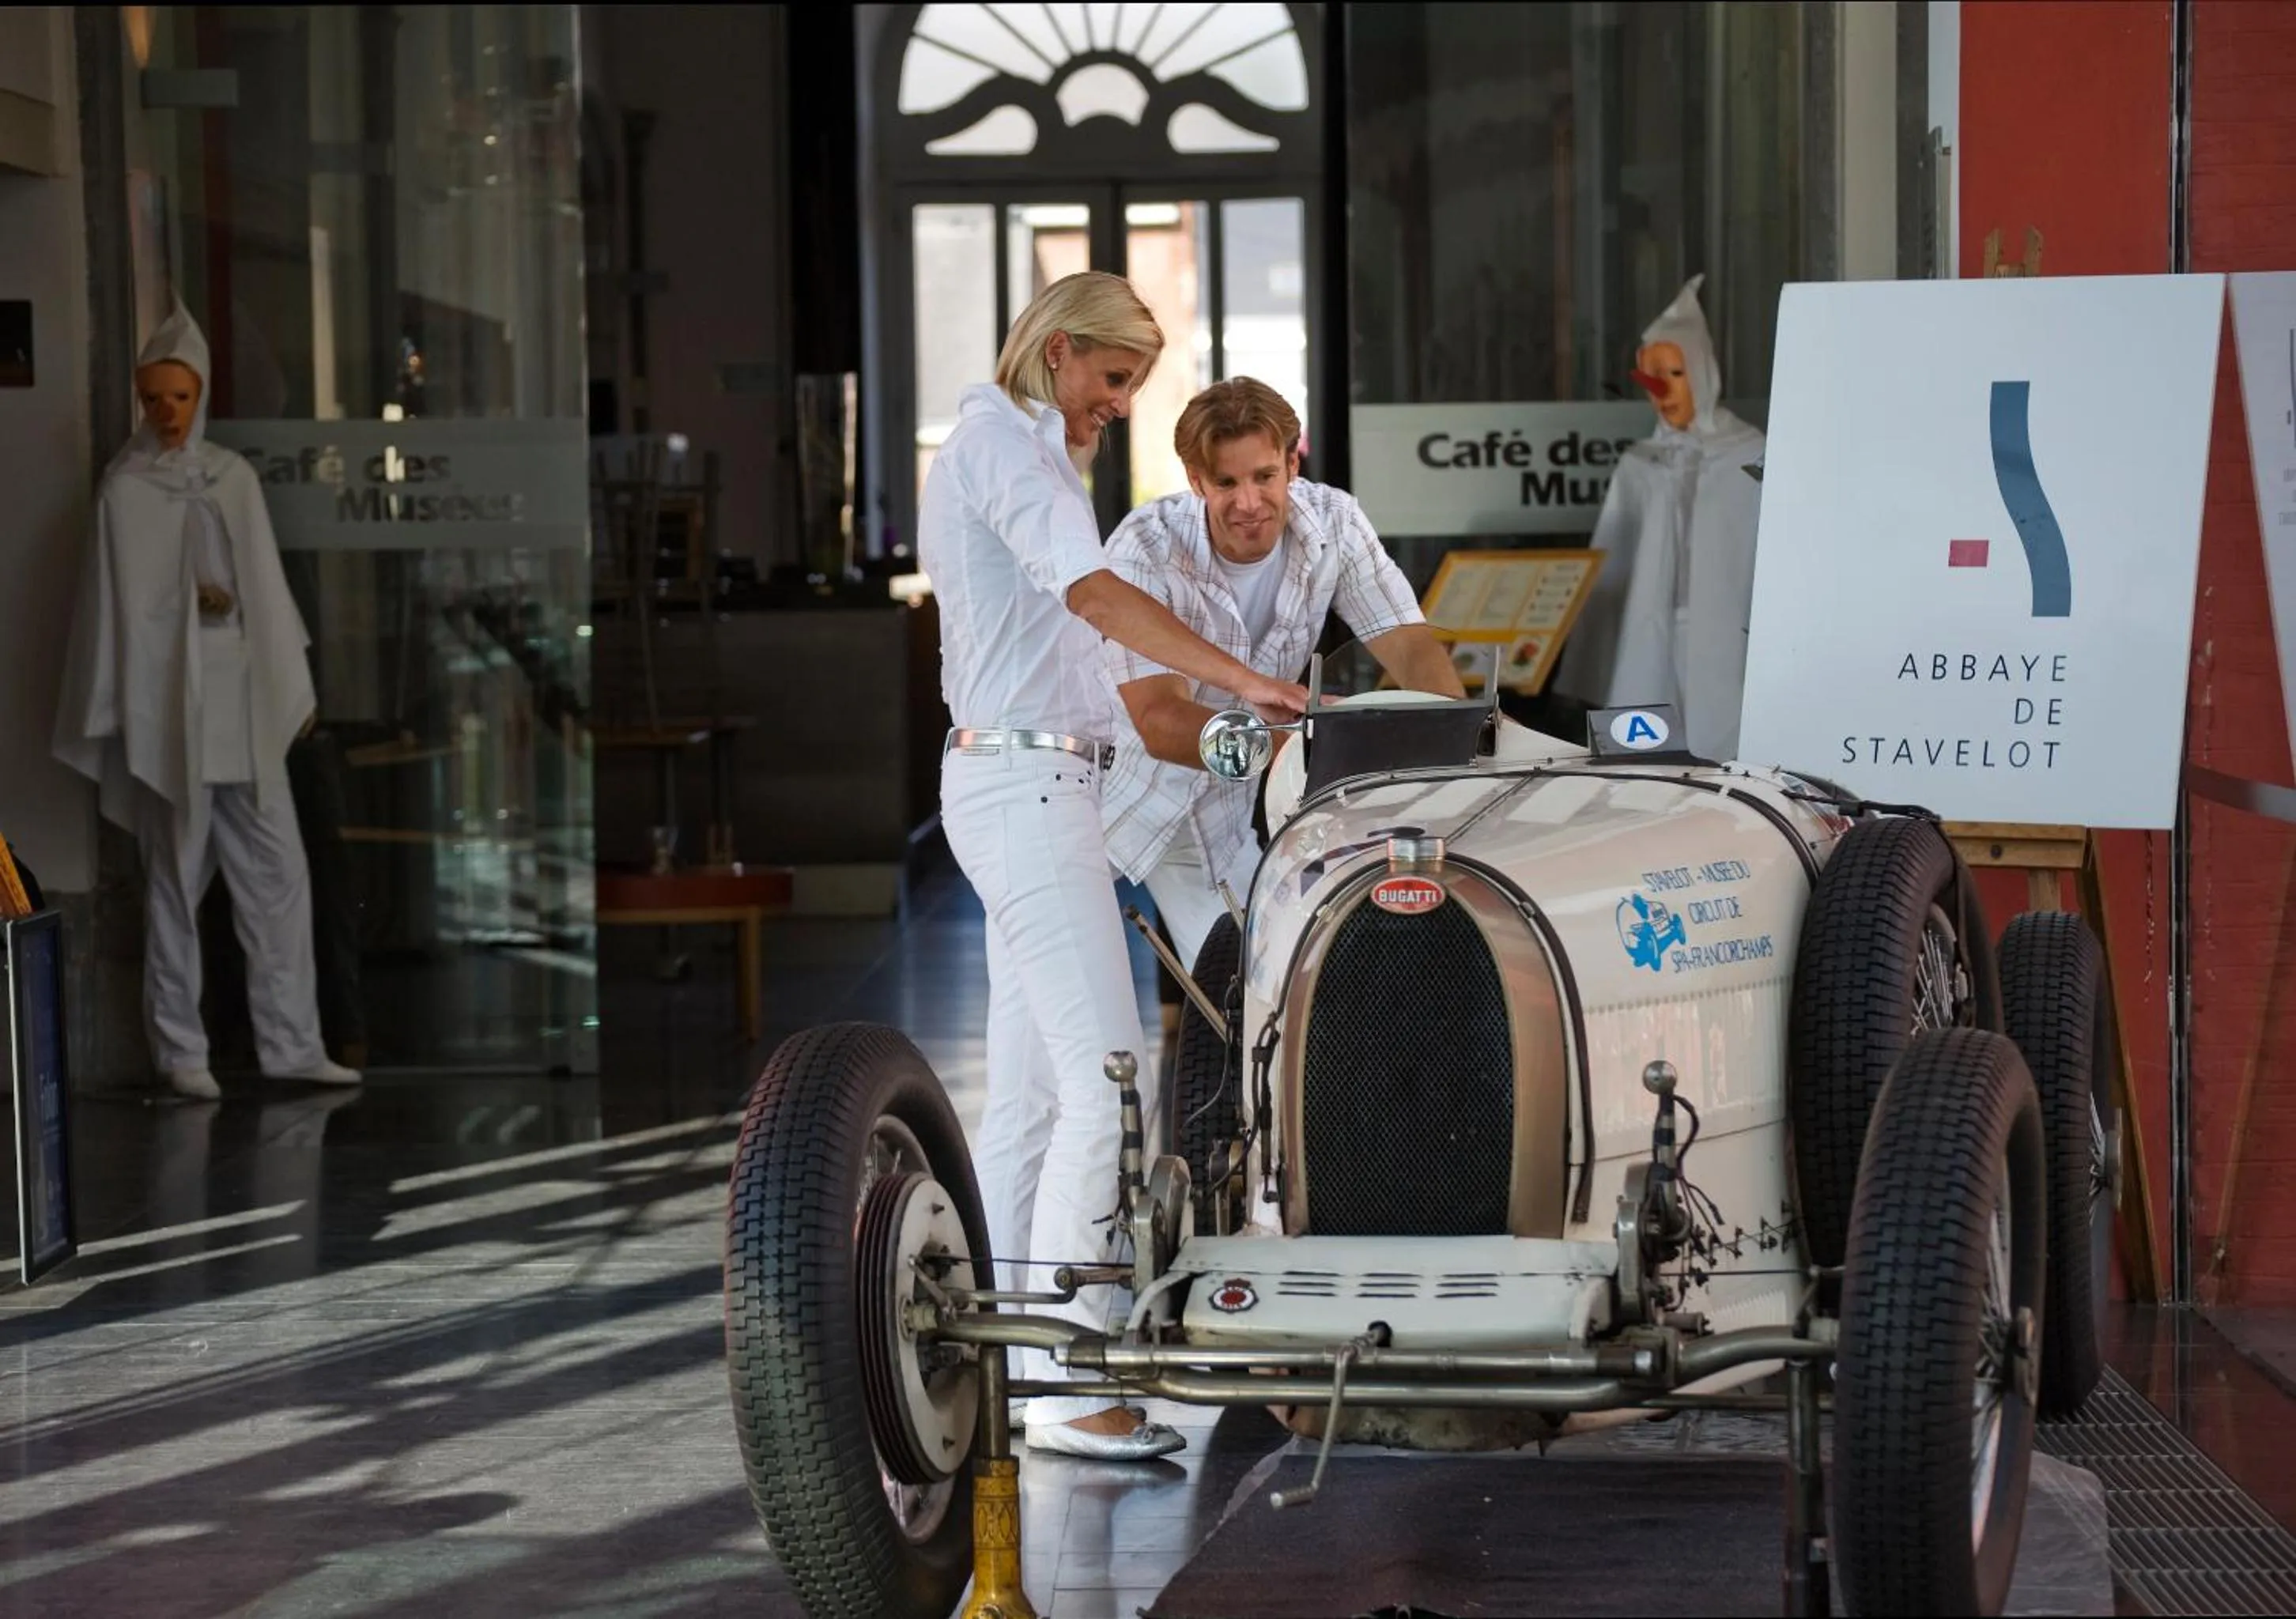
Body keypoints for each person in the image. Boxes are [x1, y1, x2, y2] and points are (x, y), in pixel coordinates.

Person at [922, 274, 1308, 1461]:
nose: (1118, 406)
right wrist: (1243, 680)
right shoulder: (1000, 447)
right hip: (1027, 786)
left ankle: (1002, 1355)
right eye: (1115, 379)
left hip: (1041, 782)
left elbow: (1091, 653)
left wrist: (1233, 722)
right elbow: (1092, 596)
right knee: (1106, 1078)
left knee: (1038, 1098)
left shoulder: (1025, 450)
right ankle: (1070, 1370)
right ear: (1060, 350)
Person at [52, 303, 361, 1101]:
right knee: (174, 881)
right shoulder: (125, 492)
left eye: (179, 396)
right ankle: (179, 1049)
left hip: (241, 702)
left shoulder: (234, 477)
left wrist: (289, 686)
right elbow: (120, 611)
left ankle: (294, 1041)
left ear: (202, 395)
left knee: (279, 874)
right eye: (153, 397)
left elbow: (264, 584)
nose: (166, 412)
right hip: (174, 712)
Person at [1100, 378, 1464, 972]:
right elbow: (1161, 724)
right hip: (1107, 804)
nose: (1248, 502)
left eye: (1264, 477)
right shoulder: (1145, 549)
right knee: (1069, 1012)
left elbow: (1410, 643)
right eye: (1226, 483)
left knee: (1272, 985)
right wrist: (1310, 749)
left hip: (1220, 816)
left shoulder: (1335, 525)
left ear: (1292, 463)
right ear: (1196, 481)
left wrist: (1455, 733)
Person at [1554, 274, 1766, 760]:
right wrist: (1591, 658)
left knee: (1729, 750)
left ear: (1702, 372)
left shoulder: (1751, 457)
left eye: (1674, 374)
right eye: (1652, 378)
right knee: (1646, 754)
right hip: (1648, 633)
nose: (1663, 391)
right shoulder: (1640, 464)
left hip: (1728, 634)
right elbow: (1613, 567)